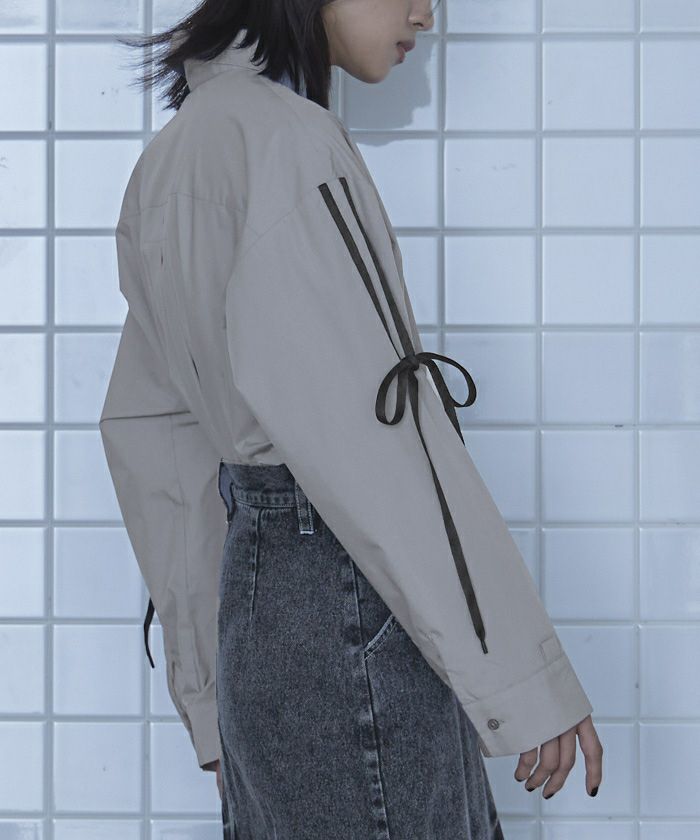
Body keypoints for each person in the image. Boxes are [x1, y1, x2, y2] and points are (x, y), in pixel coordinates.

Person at [100, 1, 603, 836]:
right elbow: (378, 442)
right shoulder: (290, 142)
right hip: (346, 607)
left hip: (255, 622)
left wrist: (210, 696)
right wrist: (522, 681)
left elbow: (157, 442)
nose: (425, 13)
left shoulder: (175, 155)